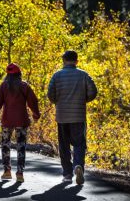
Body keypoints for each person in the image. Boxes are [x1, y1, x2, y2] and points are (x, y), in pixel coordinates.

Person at [47, 50, 97, 185]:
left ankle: (67, 174)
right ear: (77, 61)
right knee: (79, 143)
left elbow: (50, 94)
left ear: (64, 60)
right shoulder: (83, 75)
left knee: (64, 145)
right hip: (79, 116)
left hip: (62, 116)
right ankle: (78, 166)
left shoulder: (56, 76)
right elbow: (93, 91)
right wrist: (84, 100)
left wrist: (58, 101)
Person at [0, 63, 40, 183]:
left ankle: (7, 171)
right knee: (21, 146)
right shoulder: (24, 86)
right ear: (19, 74)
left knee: (5, 146)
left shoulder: (3, 86)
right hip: (22, 120)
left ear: (7, 75)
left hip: (7, 121)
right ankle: (20, 173)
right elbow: (33, 102)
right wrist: (36, 115)